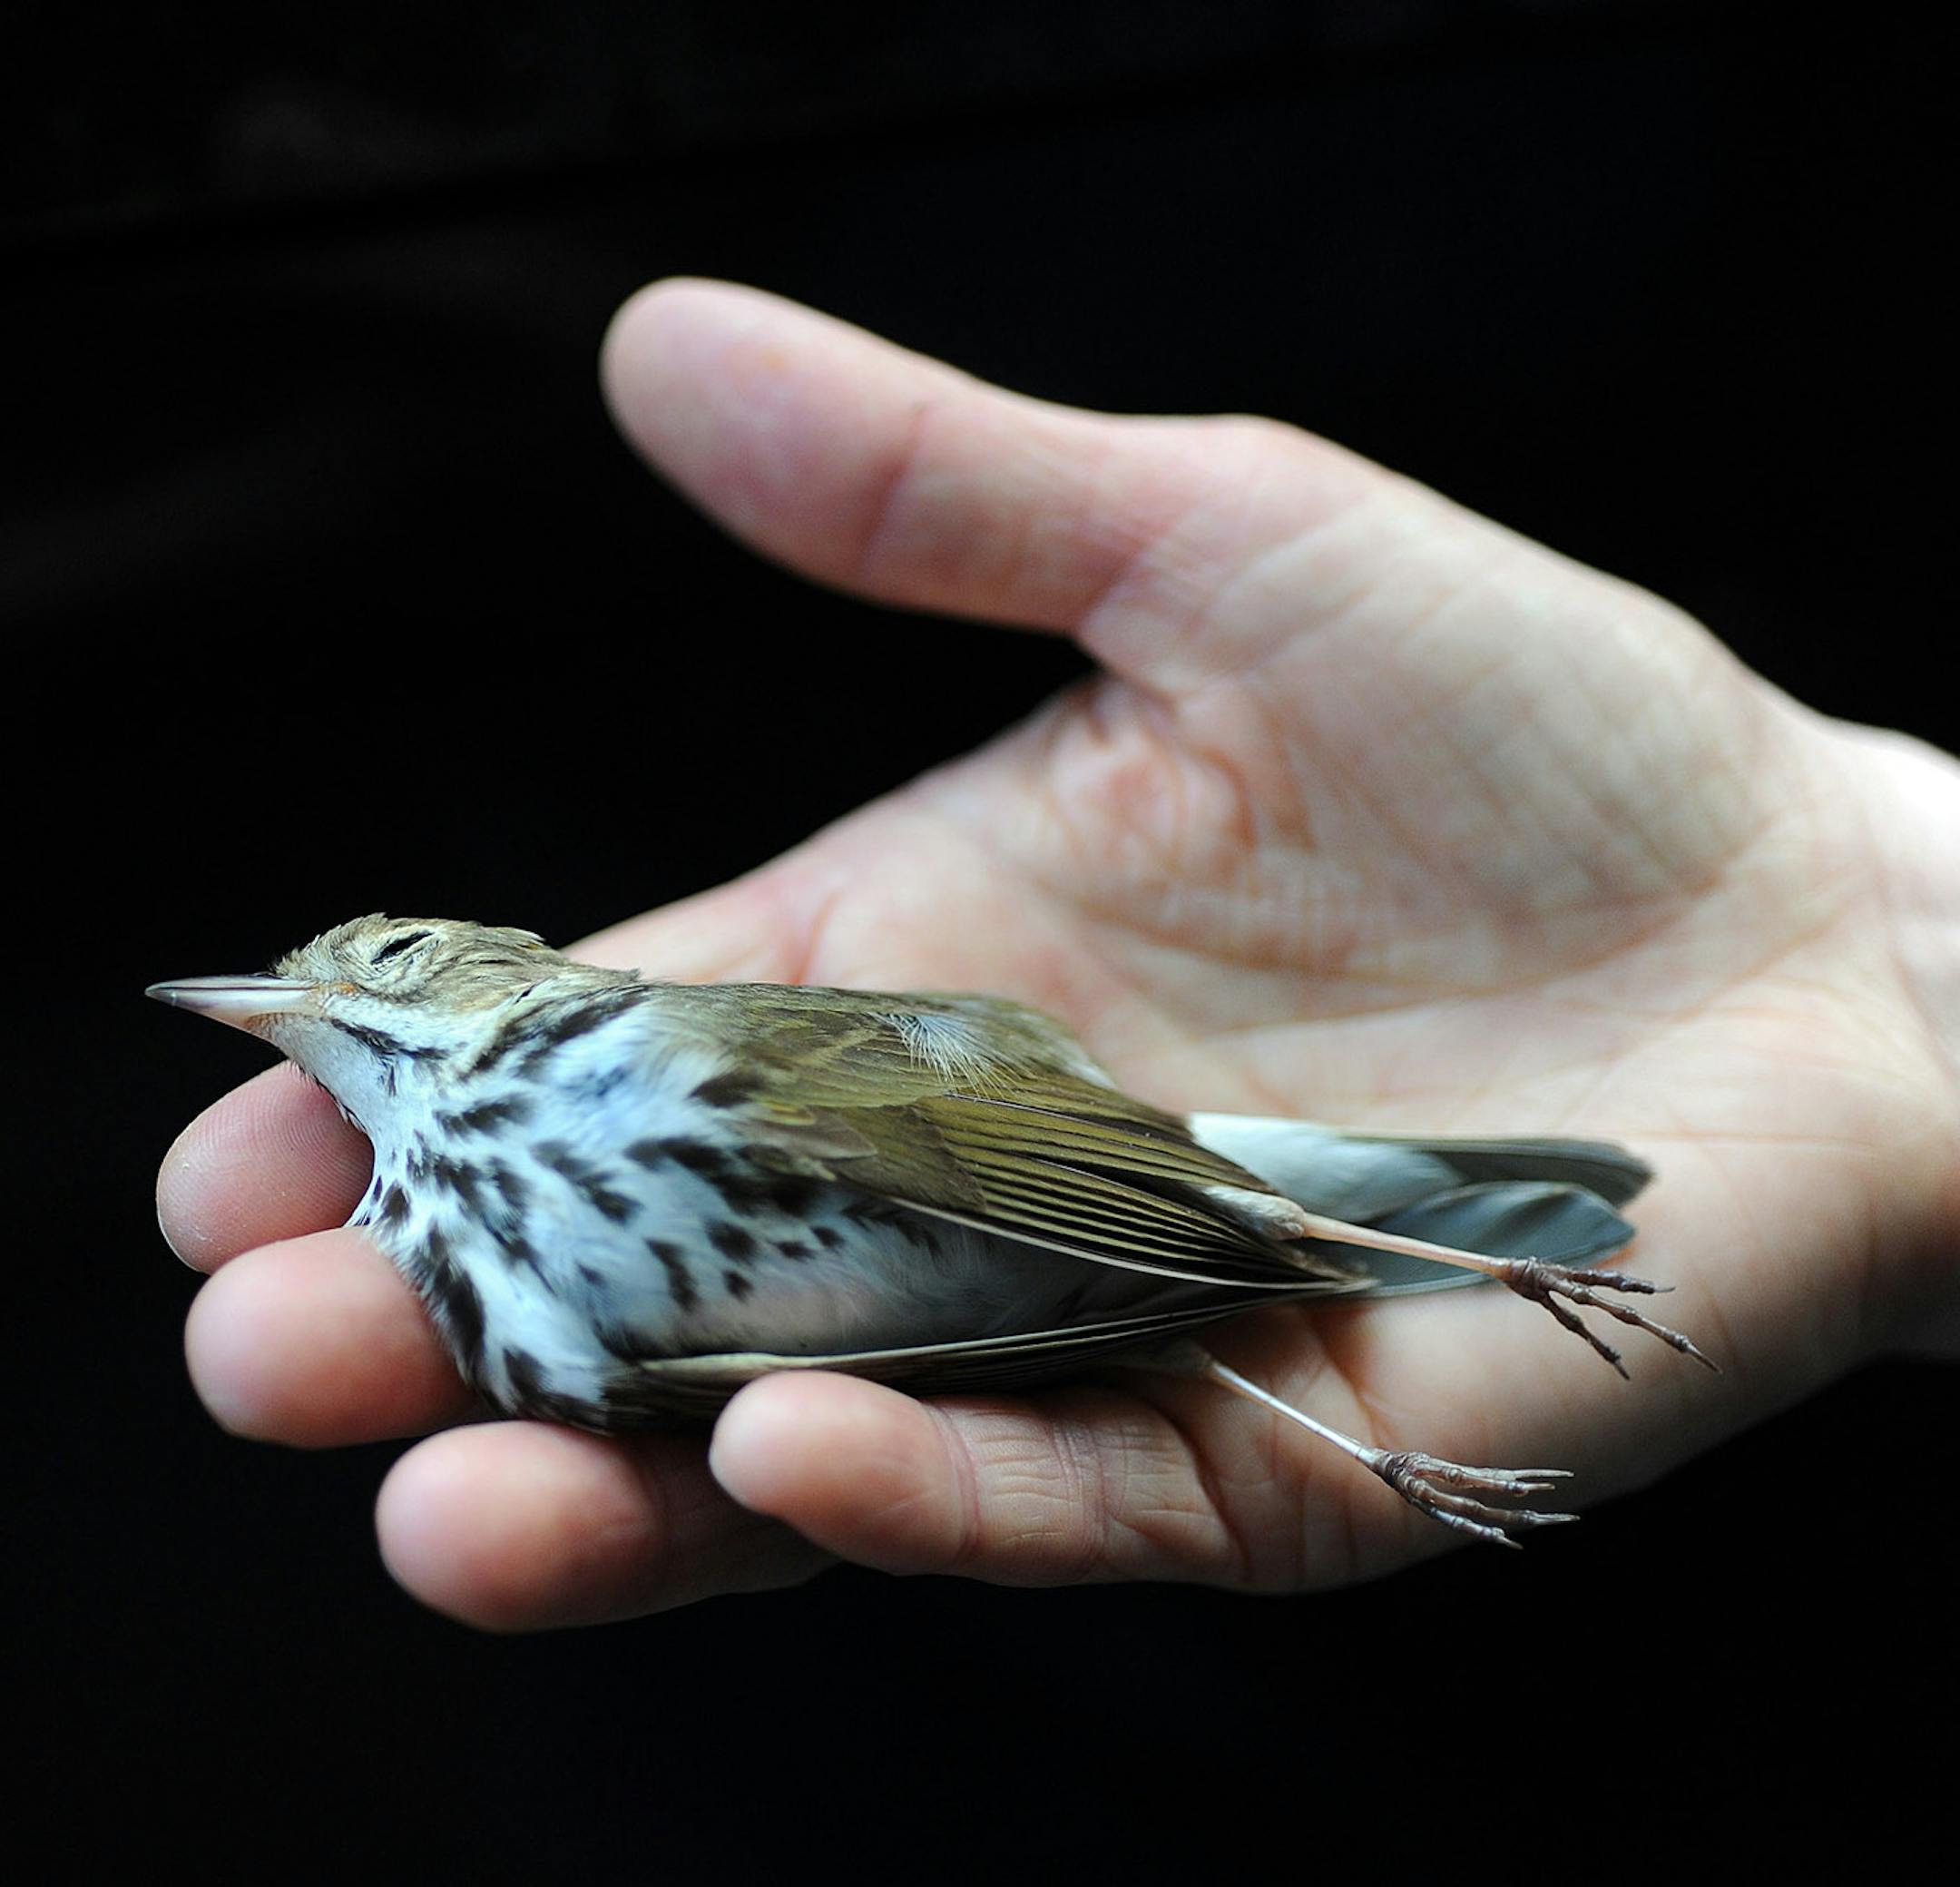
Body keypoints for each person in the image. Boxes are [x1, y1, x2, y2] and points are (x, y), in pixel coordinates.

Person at [153, 279, 1960, 1630]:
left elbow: (1035, 1175)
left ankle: (1403, 1265)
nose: (315, 1004)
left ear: (493, 974)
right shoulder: (493, 1303)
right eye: (300, 996)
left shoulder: (626, 1058)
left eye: (382, 955)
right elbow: (969, 1337)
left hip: (1070, 1190)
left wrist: (1288, 1242)